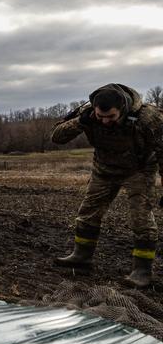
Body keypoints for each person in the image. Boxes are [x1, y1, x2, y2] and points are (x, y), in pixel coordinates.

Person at [52, 83, 163, 288]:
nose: (105, 122)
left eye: (110, 117)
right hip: (104, 169)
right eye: (100, 117)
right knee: (88, 212)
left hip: (138, 170)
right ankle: (81, 256)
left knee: (141, 219)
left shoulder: (149, 118)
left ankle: (142, 271)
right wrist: (79, 122)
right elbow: (56, 137)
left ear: (123, 109)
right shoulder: (87, 113)